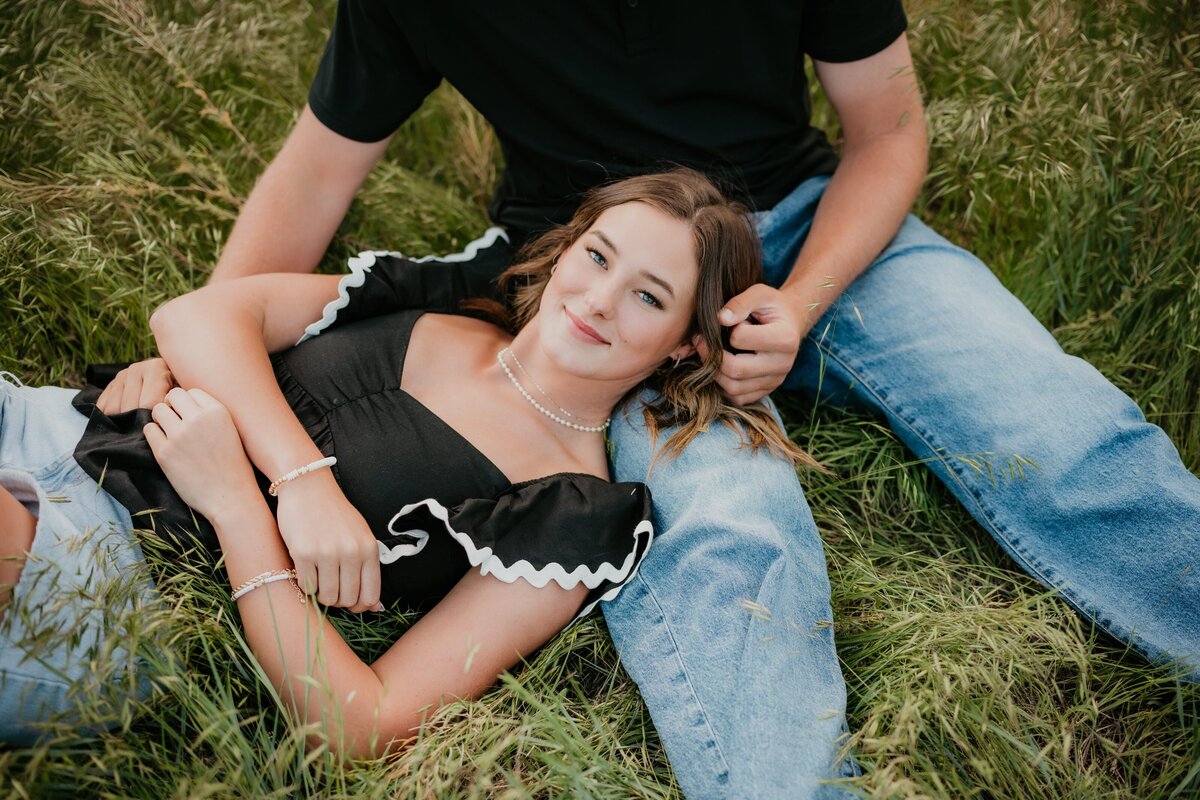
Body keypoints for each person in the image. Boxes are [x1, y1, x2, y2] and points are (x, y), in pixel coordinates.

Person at [91, 2, 1200, 798]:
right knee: (730, 535)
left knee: (1058, 433)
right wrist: (203, 364)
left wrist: (798, 303)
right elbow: (314, 177)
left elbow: (891, 133)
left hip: (807, 224)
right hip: (607, 300)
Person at [0, 170, 811, 753]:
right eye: (598, 257)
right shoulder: (449, 299)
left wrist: (239, 509)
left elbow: (367, 723)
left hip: (117, 573)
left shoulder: (576, 511)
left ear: (687, 345)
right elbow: (200, 317)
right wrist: (299, 481)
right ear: (566, 250)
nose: (598, 299)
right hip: (61, 423)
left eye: (649, 296)